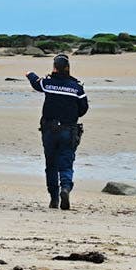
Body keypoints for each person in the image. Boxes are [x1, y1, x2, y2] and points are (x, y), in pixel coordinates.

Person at [26, 54, 88, 210]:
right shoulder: (77, 87)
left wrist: (30, 74)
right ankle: (65, 188)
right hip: (68, 130)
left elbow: (36, 83)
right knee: (66, 163)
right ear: (68, 68)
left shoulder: (48, 83)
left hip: (49, 130)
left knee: (51, 165)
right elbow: (83, 108)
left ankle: (54, 198)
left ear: (54, 68)